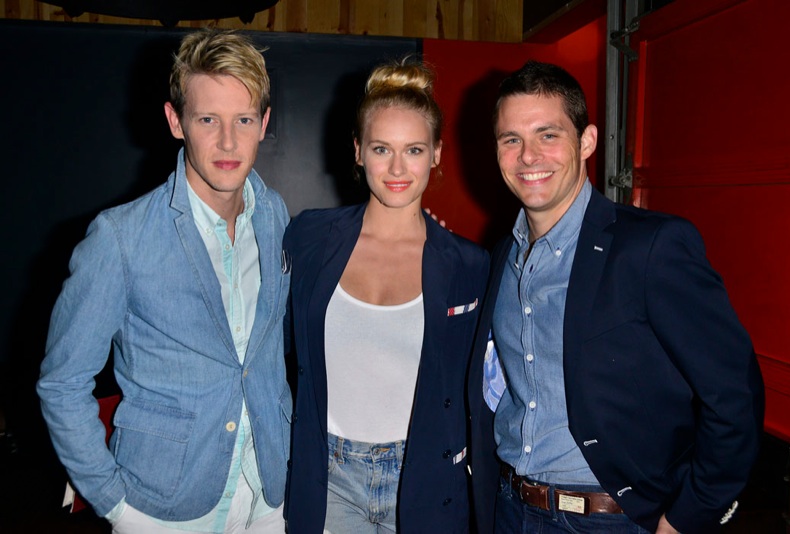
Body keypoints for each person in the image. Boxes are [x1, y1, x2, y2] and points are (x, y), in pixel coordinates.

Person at [467, 60, 764, 534]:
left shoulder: (650, 247)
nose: (528, 156)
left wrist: (688, 516)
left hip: (612, 521)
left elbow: (735, 396)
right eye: (511, 140)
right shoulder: (502, 254)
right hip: (510, 510)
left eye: (548, 135)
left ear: (586, 141)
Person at [37, 29, 291, 533]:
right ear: (176, 121)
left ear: (263, 123)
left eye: (242, 120)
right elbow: (62, 383)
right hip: (162, 506)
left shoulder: (275, 215)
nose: (227, 141)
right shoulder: (120, 237)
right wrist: (117, 507)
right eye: (207, 119)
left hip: (267, 492)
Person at [282, 58, 489, 533]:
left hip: (424, 476)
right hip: (327, 476)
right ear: (357, 151)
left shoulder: (468, 265)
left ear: (437, 153)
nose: (397, 168)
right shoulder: (308, 237)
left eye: (414, 149)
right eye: (381, 148)